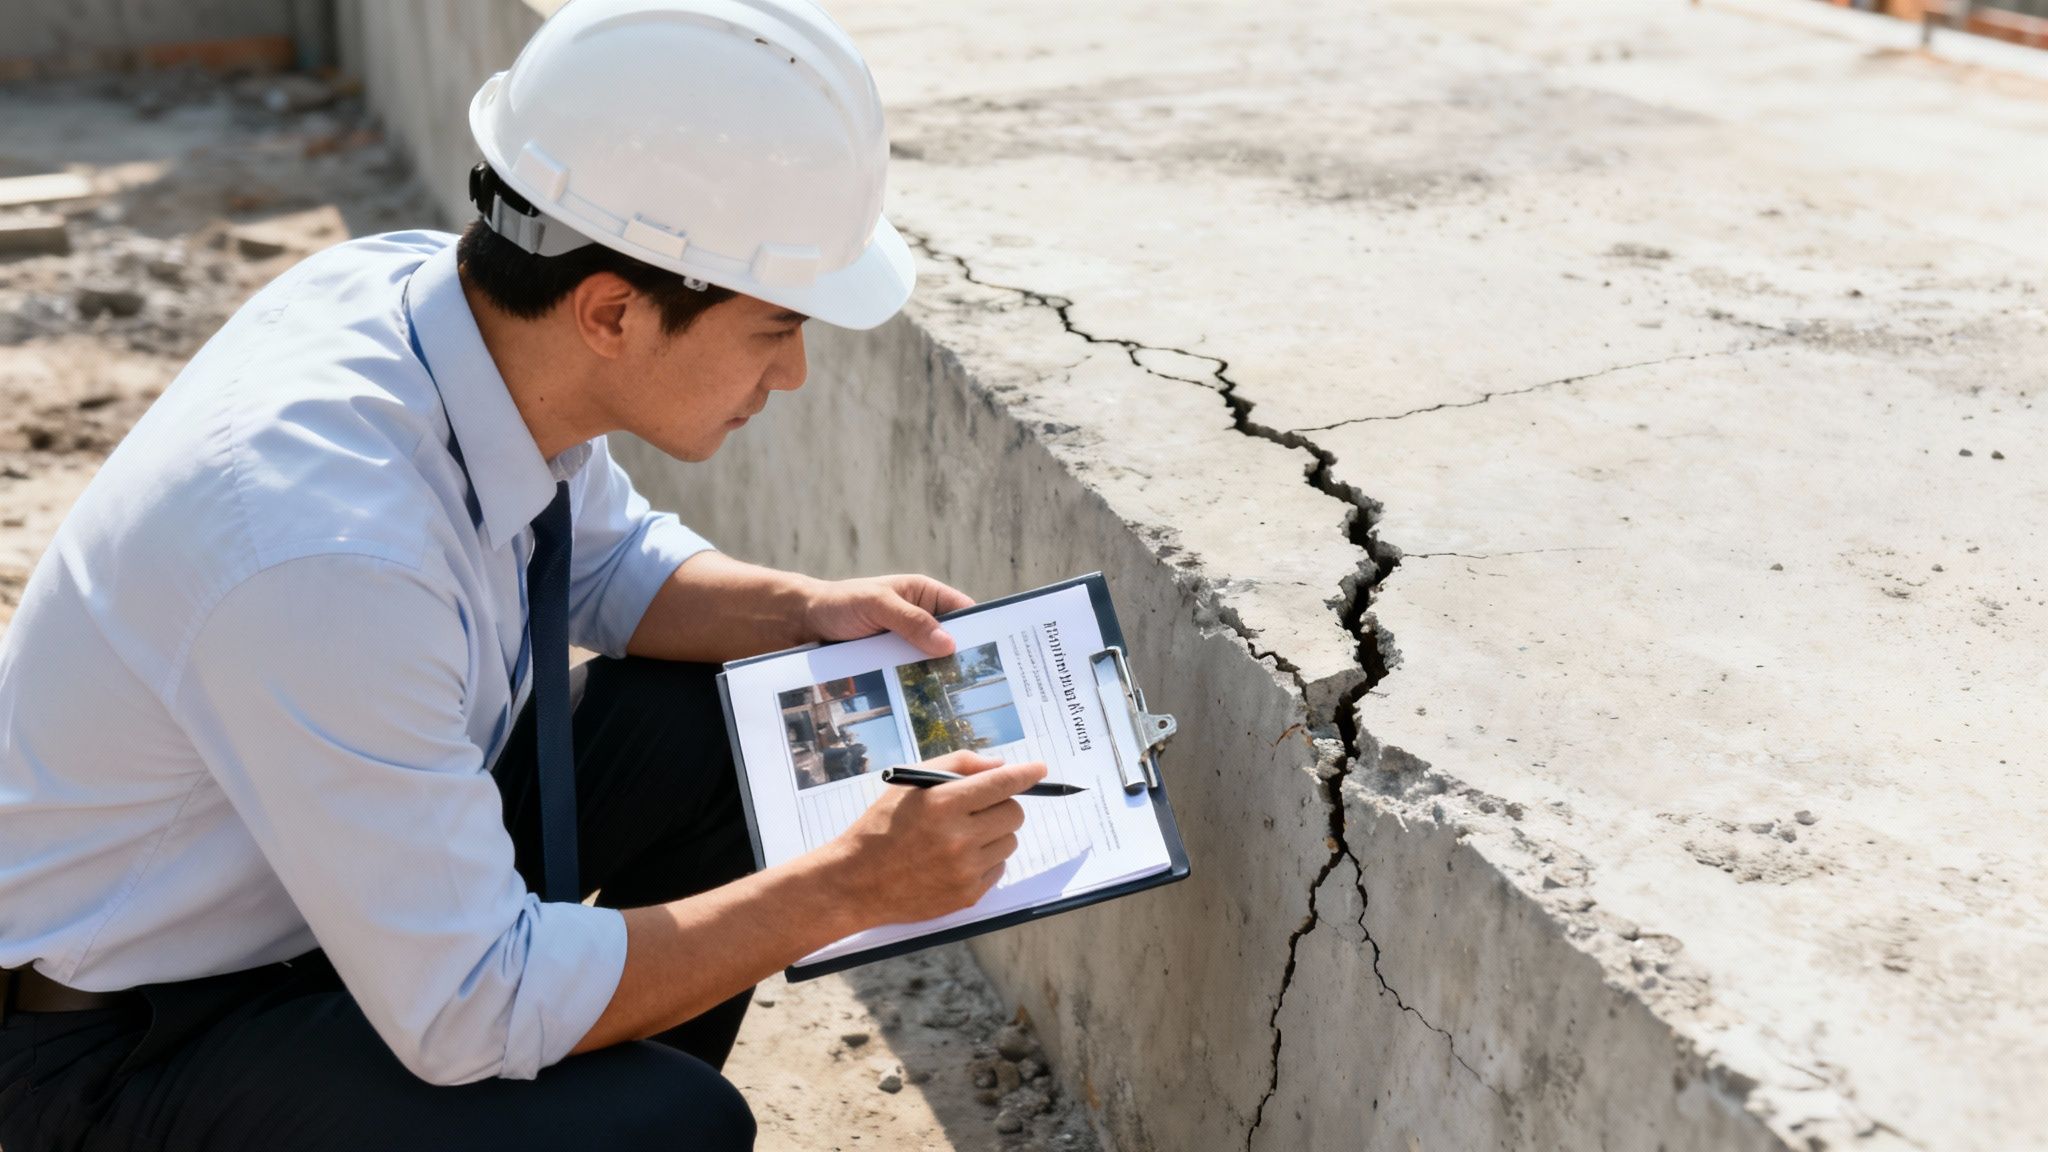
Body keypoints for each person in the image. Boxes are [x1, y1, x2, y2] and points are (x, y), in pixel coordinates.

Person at [0, 2, 1045, 1148]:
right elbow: (467, 1004)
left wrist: (805, 612)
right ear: (611, 311)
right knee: (666, 1127)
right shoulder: (328, 553)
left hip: (301, 907)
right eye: (773, 328)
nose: (791, 373)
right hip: (115, 1044)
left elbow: (603, 562)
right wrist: (848, 885)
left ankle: (562, 1105)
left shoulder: (425, 307)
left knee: (734, 725)